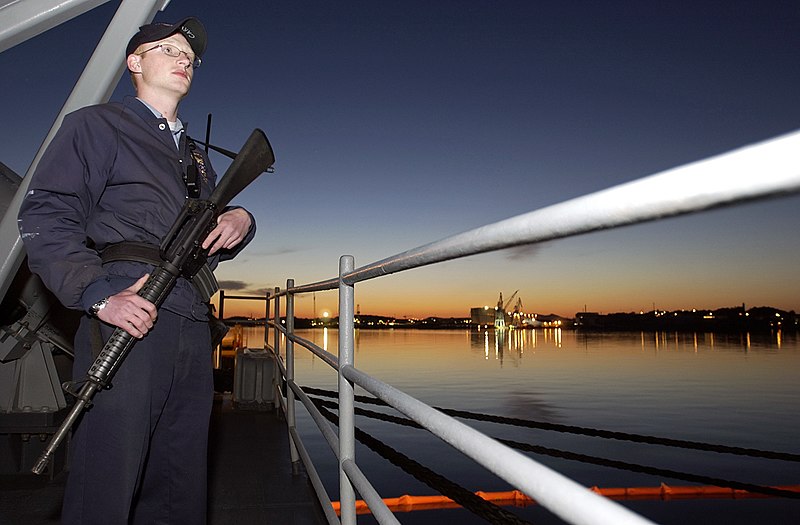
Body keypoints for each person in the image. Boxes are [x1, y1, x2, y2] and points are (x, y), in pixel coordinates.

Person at [18, 17, 255, 524]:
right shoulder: (95, 125)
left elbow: (203, 233)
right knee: (108, 474)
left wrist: (241, 218)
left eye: (189, 55)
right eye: (168, 49)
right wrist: (100, 295)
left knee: (179, 476)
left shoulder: (197, 156)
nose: (184, 59)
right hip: (129, 304)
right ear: (134, 62)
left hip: (192, 317)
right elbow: (45, 216)